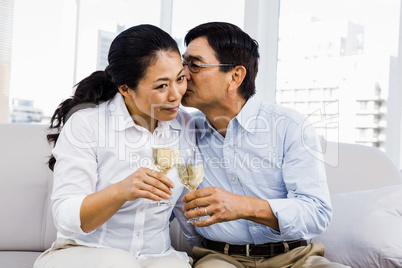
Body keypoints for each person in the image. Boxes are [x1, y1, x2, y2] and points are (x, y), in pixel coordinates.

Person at [180, 22, 350, 268]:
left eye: (194, 65)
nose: (183, 74)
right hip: (220, 258)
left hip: (295, 258)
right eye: (183, 64)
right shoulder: (182, 130)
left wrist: (242, 206)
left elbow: (317, 213)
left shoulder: (289, 126)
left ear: (235, 77)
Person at [34, 24, 199, 268]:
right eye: (161, 86)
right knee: (118, 262)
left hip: (156, 255)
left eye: (180, 79)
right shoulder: (88, 125)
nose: (176, 94)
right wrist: (122, 190)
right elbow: (67, 218)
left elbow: (187, 208)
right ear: (125, 89)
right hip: (85, 250)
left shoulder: (185, 126)